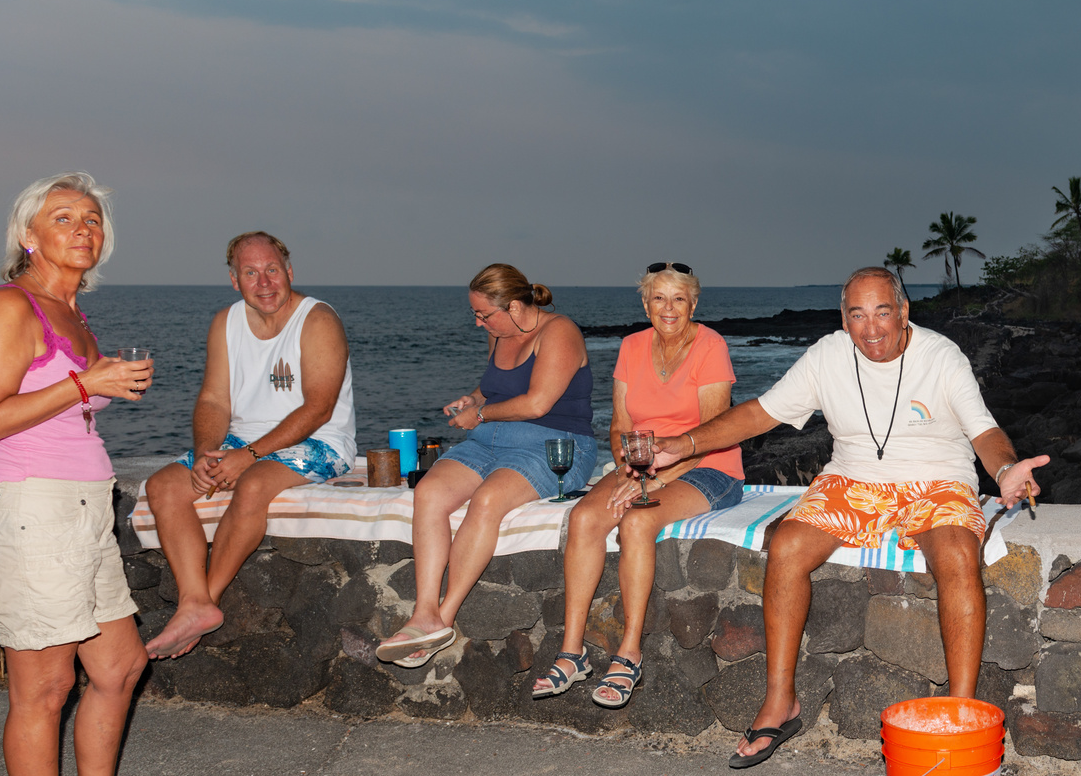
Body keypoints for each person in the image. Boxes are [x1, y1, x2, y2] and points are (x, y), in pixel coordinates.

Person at [652, 267, 1046, 768]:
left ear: (904, 312)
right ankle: (781, 700)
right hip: (850, 481)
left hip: (937, 479)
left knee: (955, 550)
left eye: (883, 311)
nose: (872, 328)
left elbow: (984, 433)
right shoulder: (827, 355)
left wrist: (1007, 469)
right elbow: (759, 414)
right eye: (857, 315)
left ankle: (960, 711)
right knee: (789, 543)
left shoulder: (941, 356)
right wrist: (683, 445)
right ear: (844, 319)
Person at [0, 172, 180, 776]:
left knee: (118, 666)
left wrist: (90, 381)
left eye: (91, 219)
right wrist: (86, 384)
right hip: (31, 513)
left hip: (85, 512)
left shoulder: (74, 315)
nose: (83, 228)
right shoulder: (9, 305)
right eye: (64, 218)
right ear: (30, 235)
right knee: (44, 688)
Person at [142, 232, 358, 658]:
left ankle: (209, 596)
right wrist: (208, 451)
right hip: (241, 440)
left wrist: (250, 455)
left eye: (272, 270)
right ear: (234, 280)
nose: (264, 282)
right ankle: (194, 603)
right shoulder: (226, 322)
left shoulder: (318, 319)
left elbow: (318, 408)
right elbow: (213, 399)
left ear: (289, 271)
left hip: (319, 440)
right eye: (251, 273)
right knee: (163, 487)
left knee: (254, 484)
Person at [536, 263, 744, 702]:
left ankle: (629, 654)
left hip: (709, 467)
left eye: (679, 299)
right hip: (644, 466)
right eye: (659, 298)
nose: (668, 308)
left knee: (635, 523)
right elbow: (619, 425)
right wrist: (629, 470)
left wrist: (651, 483)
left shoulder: (710, 346)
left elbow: (710, 435)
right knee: (586, 516)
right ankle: (572, 652)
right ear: (645, 303)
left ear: (694, 303)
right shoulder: (631, 345)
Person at [376, 264, 600, 666]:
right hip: (491, 440)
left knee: (486, 500)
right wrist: (473, 400)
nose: (479, 324)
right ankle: (423, 612)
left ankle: (441, 621)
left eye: (484, 314)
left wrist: (480, 415)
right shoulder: (501, 333)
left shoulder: (559, 332)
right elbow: (494, 387)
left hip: (555, 445)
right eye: (475, 315)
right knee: (429, 491)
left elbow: (537, 403)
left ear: (514, 306)